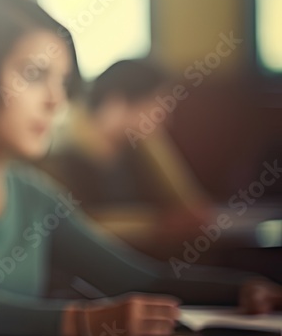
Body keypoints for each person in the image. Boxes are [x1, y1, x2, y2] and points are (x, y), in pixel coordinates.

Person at [0, 0, 282, 336]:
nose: (56, 100)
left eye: (61, 82)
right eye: (35, 75)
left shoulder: (32, 193)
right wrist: (79, 323)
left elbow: (133, 277)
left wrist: (243, 289)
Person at [38, 58, 213, 259]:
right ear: (117, 103)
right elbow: (74, 229)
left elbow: (190, 208)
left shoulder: (137, 149)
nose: (166, 120)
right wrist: (155, 225)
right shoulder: (59, 154)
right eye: (157, 106)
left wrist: (153, 142)